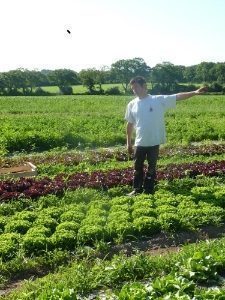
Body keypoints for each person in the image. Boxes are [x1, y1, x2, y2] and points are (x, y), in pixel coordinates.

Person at [125, 76, 206, 196]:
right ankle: (136, 189)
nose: (134, 90)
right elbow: (130, 124)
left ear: (144, 86)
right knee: (137, 168)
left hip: (154, 141)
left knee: (151, 168)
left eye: (136, 87)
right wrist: (128, 143)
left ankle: (148, 190)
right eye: (132, 88)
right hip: (139, 142)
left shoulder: (157, 100)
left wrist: (194, 92)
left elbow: (177, 96)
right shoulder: (132, 104)